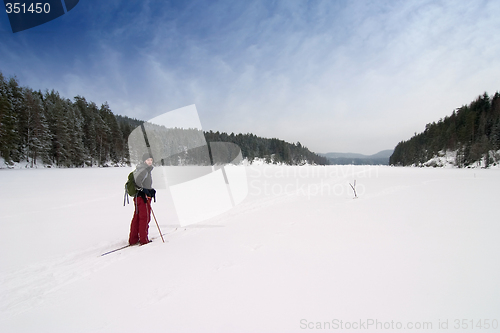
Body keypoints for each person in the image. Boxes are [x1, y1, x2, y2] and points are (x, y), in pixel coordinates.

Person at [129, 153, 156, 245]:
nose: (150, 162)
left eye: (151, 160)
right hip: (143, 198)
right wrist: (144, 191)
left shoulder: (142, 169)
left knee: (137, 218)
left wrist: (150, 190)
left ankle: (133, 239)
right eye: (148, 160)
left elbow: (144, 184)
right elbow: (138, 183)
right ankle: (144, 240)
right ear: (144, 161)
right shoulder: (144, 170)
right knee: (144, 218)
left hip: (139, 198)